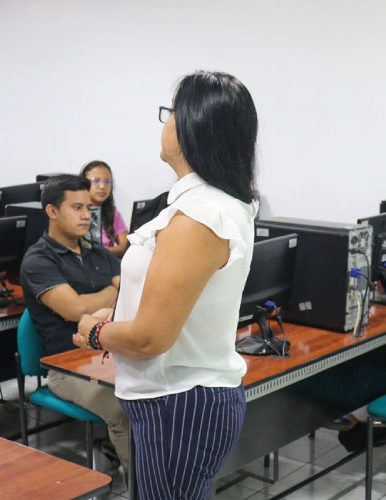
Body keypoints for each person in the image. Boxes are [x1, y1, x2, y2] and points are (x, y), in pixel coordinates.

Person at [74, 71, 259, 499]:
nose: (165, 124)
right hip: (176, 400)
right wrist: (120, 313)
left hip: (178, 404)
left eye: (171, 113)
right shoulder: (206, 204)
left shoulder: (200, 216)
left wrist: (94, 331)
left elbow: (150, 338)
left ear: (194, 125)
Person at [20, 174, 130, 472]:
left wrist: (115, 293)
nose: (86, 216)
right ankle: (144, 487)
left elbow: (131, 292)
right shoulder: (38, 260)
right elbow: (75, 310)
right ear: (52, 212)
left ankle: (113, 448)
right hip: (66, 368)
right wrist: (112, 291)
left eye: (89, 209)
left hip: (109, 355)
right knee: (124, 409)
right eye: (77, 208)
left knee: (158, 394)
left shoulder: (99, 254)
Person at [80, 160, 129, 257]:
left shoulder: (113, 213)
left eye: (107, 181)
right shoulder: (74, 212)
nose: (102, 186)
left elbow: (125, 245)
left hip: (106, 265)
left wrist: (101, 253)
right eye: (96, 181)